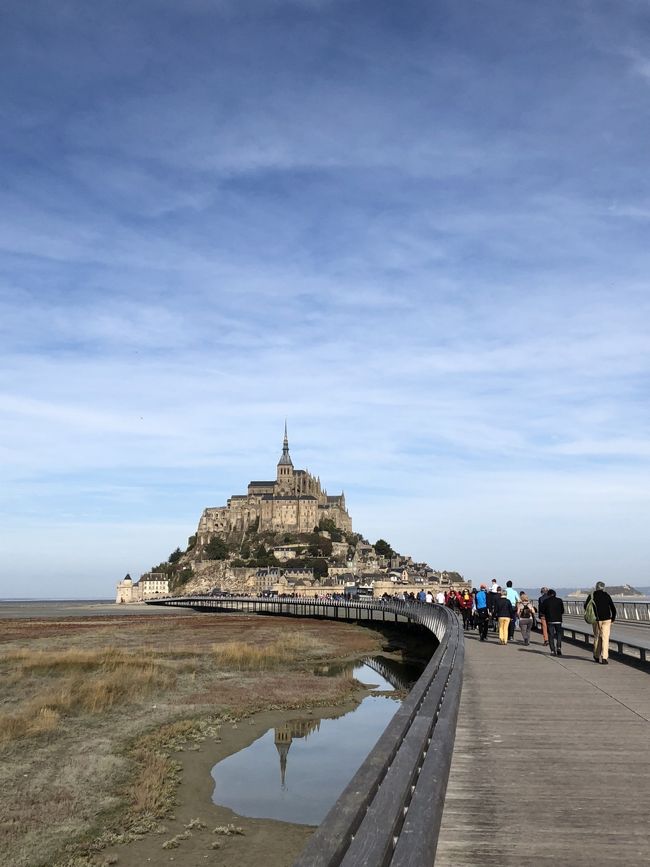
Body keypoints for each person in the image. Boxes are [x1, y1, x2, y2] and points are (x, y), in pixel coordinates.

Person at [586, 581, 617, 665]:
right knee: (605, 638)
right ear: (603, 588)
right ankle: (604, 658)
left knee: (597, 637)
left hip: (596, 620)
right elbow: (613, 608)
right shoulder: (606, 595)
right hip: (607, 619)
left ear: (596, 587)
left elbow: (586, 606)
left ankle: (596, 656)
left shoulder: (592, 596)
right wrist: (613, 618)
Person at [540, 589, 564, 656]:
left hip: (550, 620)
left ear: (548, 595)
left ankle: (553, 650)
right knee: (559, 634)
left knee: (551, 635)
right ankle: (558, 647)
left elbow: (542, 610)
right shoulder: (559, 600)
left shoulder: (546, 601)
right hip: (558, 620)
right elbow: (562, 610)